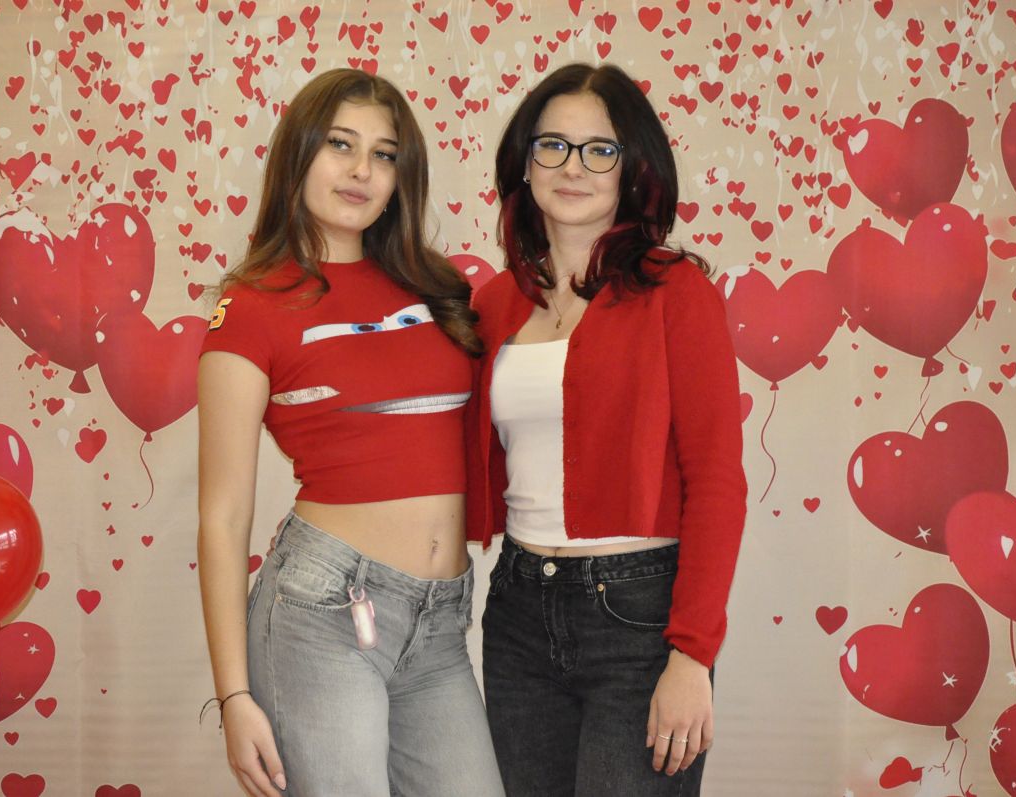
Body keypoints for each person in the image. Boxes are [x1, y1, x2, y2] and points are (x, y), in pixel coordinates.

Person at [197, 68, 503, 797]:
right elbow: (222, 517)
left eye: (384, 153)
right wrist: (233, 696)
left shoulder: (440, 291)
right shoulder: (252, 306)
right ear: (298, 154)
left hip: (440, 625)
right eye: (340, 144)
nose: (362, 169)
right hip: (322, 616)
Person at [466, 62, 748, 796]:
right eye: (552, 145)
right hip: (519, 610)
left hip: (639, 617)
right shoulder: (492, 304)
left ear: (632, 169)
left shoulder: (677, 291)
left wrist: (692, 654)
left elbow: (717, 481)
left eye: (600, 149)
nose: (573, 167)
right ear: (525, 161)